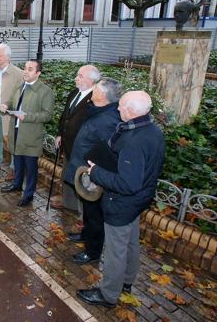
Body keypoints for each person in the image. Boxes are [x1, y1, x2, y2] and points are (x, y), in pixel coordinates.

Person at [77, 91, 165, 308]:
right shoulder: (153, 131)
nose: (117, 108)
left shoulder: (134, 141)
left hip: (122, 202)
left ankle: (108, 294)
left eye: (121, 106)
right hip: (139, 200)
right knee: (131, 241)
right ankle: (127, 281)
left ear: (132, 111)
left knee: (116, 249)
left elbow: (128, 184)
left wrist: (96, 172)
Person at [62, 78, 123, 265]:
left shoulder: (108, 119)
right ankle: (85, 234)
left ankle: (93, 251)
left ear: (103, 95)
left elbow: (106, 151)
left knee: (95, 214)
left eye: (95, 89)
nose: (92, 91)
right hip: (83, 169)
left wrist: (93, 171)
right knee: (88, 210)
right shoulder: (97, 110)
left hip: (93, 175)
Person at [0, 60, 54, 207]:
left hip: (31, 135)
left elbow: (47, 115)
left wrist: (27, 116)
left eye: (30, 69)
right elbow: (12, 103)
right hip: (16, 132)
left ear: (38, 73)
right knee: (17, 162)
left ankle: (28, 194)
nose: (25, 71)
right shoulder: (20, 86)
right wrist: (5, 105)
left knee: (31, 168)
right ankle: (17, 184)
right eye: (25, 68)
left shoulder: (45, 91)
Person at [52, 64, 100, 211]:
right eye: (77, 75)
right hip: (67, 144)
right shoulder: (74, 93)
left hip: (82, 149)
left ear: (91, 81)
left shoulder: (95, 99)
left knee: (81, 179)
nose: (76, 78)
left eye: (80, 76)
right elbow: (65, 116)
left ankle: (81, 212)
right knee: (67, 174)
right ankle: (68, 202)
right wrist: (60, 134)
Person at [0, 43, 22, 179]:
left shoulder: (18, 73)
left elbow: (21, 95)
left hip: (9, 112)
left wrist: (13, 108)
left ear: (7, 57)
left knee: (11, 140)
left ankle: (14, 168)